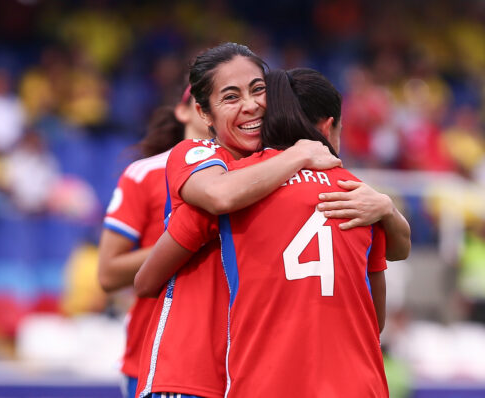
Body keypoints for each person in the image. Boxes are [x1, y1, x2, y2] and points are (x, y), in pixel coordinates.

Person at [135, 43, 408, 398]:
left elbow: (396, 249)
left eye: (258, 89)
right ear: (203, 113)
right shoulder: (201, 156)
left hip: (245, 371)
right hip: (189, 370)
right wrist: (299, 155)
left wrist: (386, 206)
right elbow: (219, 197)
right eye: (231, 97)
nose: (250, 105)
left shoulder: (296, 180)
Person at [97, 85, 209, 398]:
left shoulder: (252, 175)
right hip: (155, 360)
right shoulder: (145, 174)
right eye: (202, 101)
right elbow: (108, 273)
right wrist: (182, 241)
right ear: (183, 111)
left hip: (229, 360)